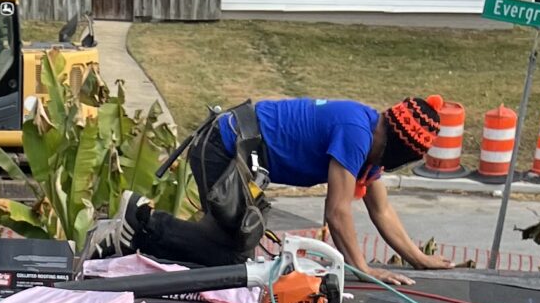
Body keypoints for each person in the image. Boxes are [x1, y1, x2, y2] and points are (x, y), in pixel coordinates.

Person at [85, 96, 444, 278]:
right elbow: (336, 212)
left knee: (226, 251)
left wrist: (420, 259)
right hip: (224, 149)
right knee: (228, 255)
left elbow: (381, 210)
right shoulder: (358, 133)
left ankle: (136, 233)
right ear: (397, 145)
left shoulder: (370, 137)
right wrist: (363, 270)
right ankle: (138, 224)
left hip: (239, 152)